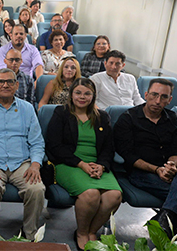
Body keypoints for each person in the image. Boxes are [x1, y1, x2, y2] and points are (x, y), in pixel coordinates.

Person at [114, 78, 177, 237]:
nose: (158, 101)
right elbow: (128, 155)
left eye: (164, 97)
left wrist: (171, 165)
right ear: (146, 94)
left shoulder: (175, 120)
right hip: (142, 173)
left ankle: (165, 218)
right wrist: (157, 170)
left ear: (170, 100)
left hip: (171, 171)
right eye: (154, 95)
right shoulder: (128, 118)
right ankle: (175, 238)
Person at [45, 78, 121, 250]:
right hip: (69, 164)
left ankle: (92, 231)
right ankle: (81, 232)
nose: (82, 97)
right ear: (71, 94)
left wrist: (101, 165)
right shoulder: (61, 113)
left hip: (96, 165)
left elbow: (109, 147)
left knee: (114, 196)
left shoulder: (102, 116)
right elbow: (54, 146)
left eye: (87, 93)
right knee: (91, 194)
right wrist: (81, 164)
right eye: (78, 92)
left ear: (93, 96)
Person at [0, 68, 46, 240]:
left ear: (16, 85)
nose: (5, 85)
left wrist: (35, 165)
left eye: (9, 82)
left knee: (37, 189)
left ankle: (30, 235)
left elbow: (37, 142)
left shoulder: (27, 109)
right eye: (0, 82)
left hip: (21, 163)